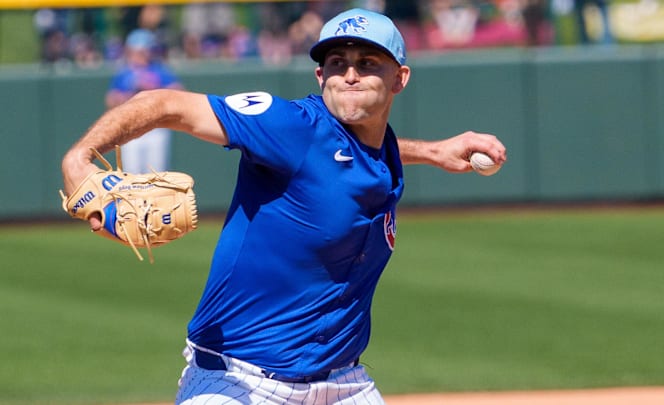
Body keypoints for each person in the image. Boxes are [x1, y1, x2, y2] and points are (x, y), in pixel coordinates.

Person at [61, 8, 506, 405]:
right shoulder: (289, 126)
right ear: (320, 77)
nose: (349, 74)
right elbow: (159, 103)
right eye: (337, 63)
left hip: (344, 383)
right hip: (239, 382)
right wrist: (78, 160)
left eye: (367, 64)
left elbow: (351, 158)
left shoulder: (380, 150)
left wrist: (432, 152)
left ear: (399, 79)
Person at [106, 29, 183, 173]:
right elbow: (111, 100)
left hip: (156, 128)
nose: (143, 54)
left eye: (146, 50)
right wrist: (131, 96)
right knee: (131, 173)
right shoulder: (124, 73)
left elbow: (179, 92)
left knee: (157, 173)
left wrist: (154, 90)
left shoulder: (159, 70)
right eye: (139, 51)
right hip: (131, 128)